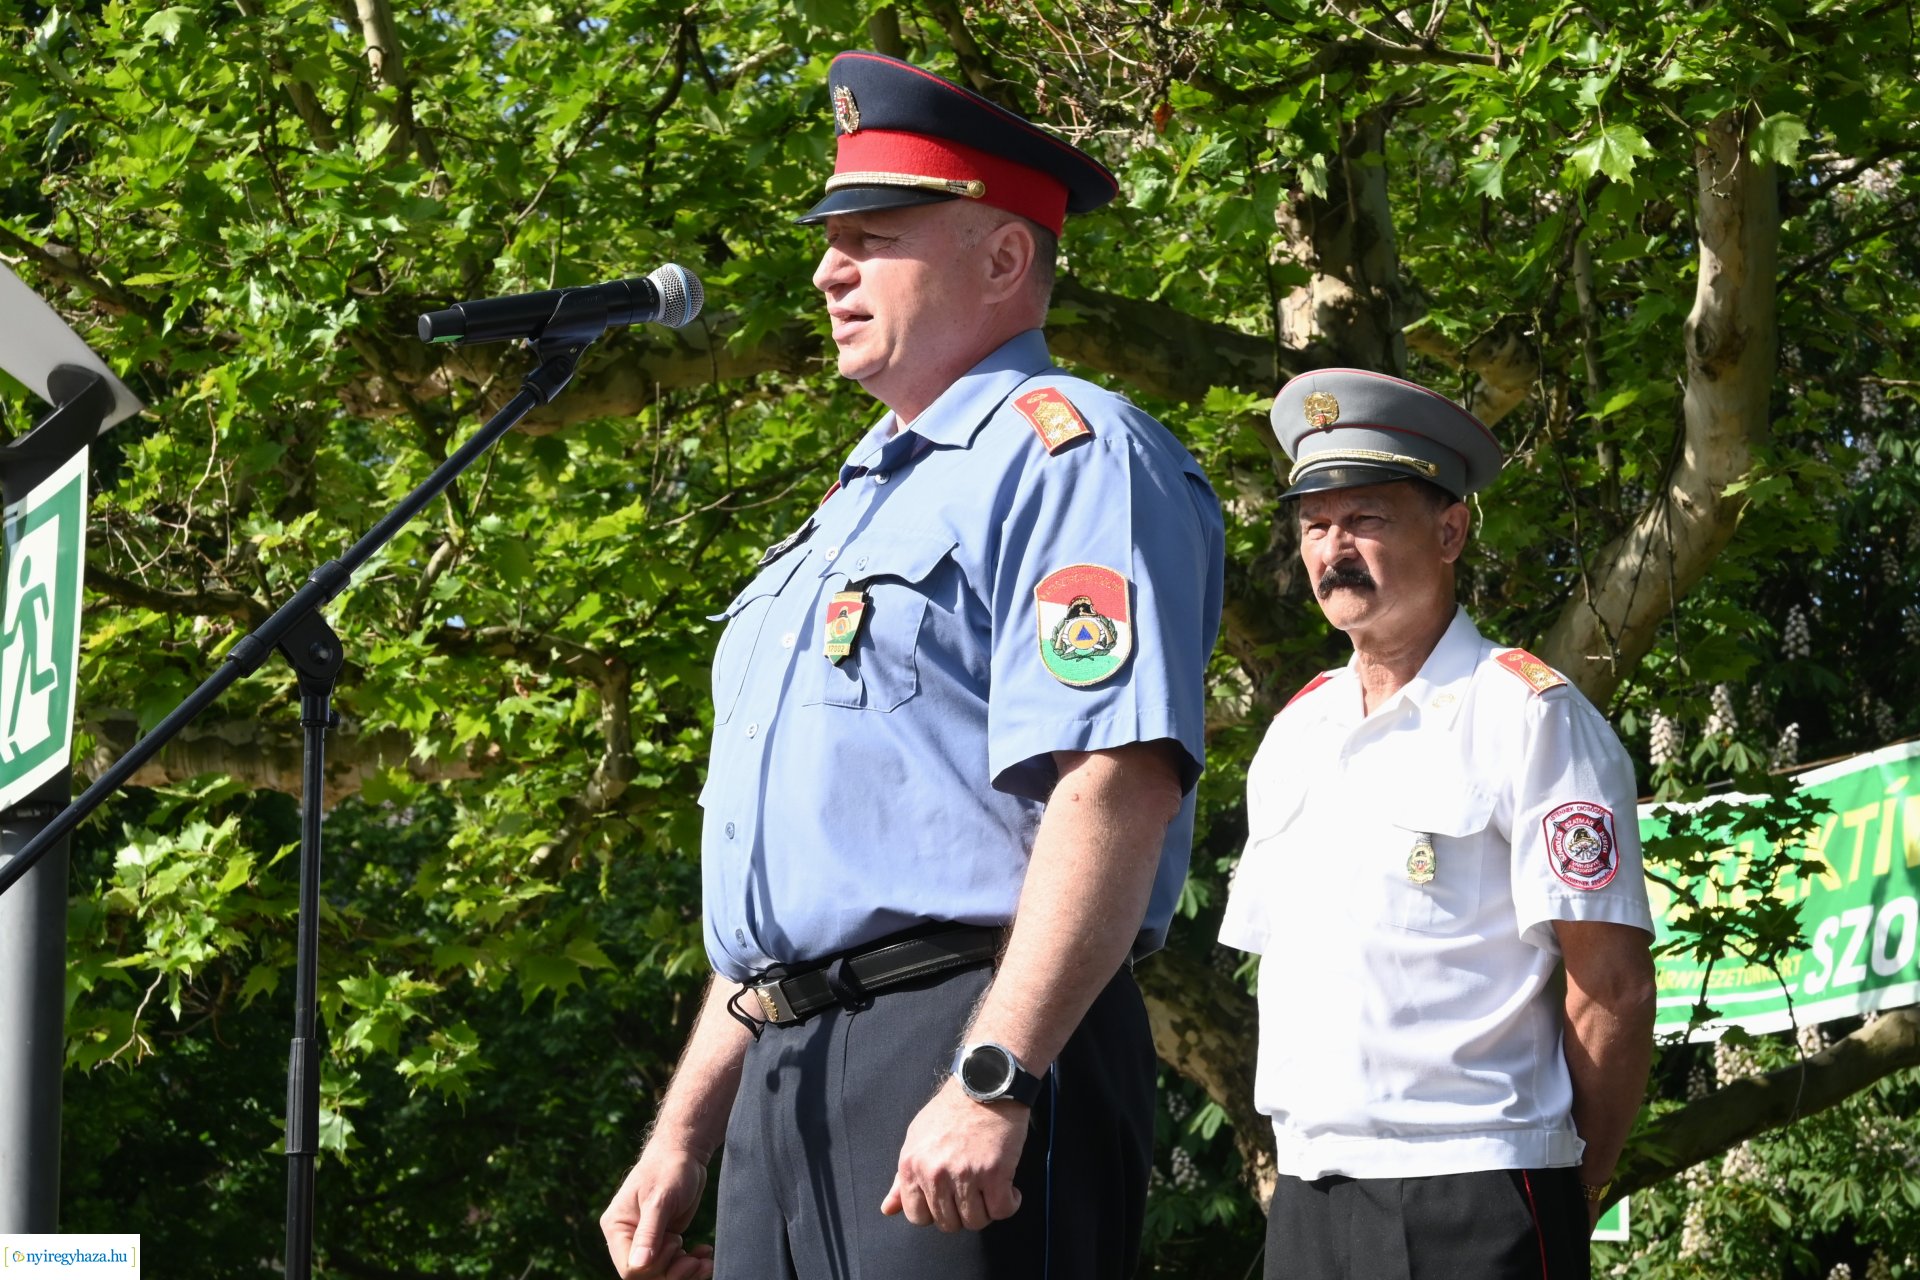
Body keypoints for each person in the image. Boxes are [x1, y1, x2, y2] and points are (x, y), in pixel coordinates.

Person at [600, 50, 1226, 1280]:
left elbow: (1116, 780)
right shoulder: (838, 517)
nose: (828, 270)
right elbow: (788, 883)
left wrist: (996, 1073)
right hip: (786, 1067)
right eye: (831, 241)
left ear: (1003, 258)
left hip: (965, 1033)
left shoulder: (1071, 456)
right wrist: (684, 1132)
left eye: (873, 238)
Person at [1219, 369, 1657, 1280]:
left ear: (1450, 531)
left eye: (1365, 519)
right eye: (1314, 525)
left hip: (1477, 1188)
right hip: (1310, 1190)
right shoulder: (1296, 732)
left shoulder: (1530, 715)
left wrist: (1574, 1187)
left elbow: (1611, 986)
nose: (1334, 549)